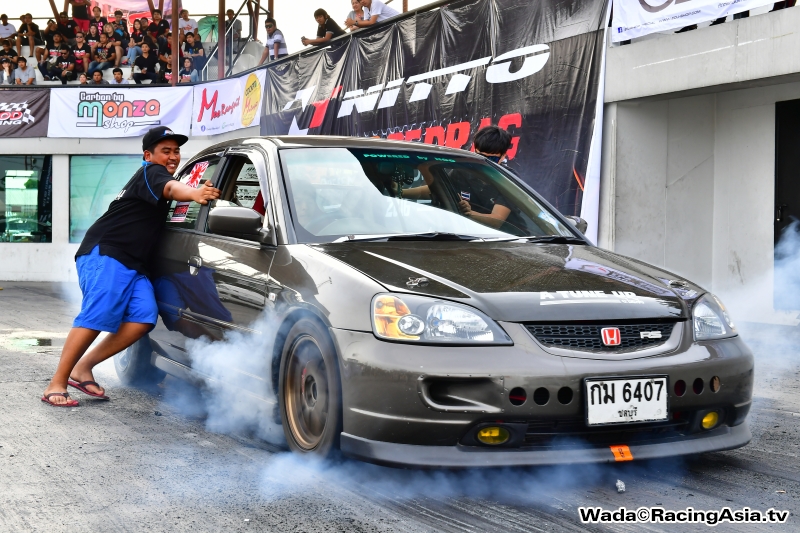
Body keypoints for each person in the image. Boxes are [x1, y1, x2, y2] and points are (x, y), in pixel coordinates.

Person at [41, 127, 221, 407]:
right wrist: (196, 193)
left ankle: (83, 367)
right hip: (108, 253)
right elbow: (173, 189)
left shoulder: (157, 175)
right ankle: (56, 383)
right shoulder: (151, 172)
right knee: (97, 314)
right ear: (148, 155)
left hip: (133, 263)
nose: (173, 156)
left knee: (142, 319)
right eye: (166, 150)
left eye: (176, 151)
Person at [402, 126, 518, 229]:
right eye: (480, 156)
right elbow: (438, 188)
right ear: (474, 150)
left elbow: (496, 221)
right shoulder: (463, 172)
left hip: (507, 238)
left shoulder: (507, 179)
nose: (484, 162)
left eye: (491, 159)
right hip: (470, 235)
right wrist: (400, 193)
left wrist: (469, 213)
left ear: (503, 156)